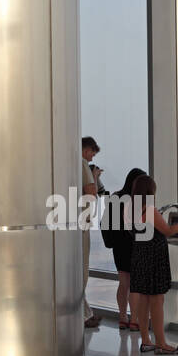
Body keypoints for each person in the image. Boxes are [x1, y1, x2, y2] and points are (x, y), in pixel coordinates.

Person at [128, 174, 178, 355]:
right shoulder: (149, 210)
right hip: (154, 258)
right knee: (157, 301)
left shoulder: (128, 208)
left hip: (139, 257)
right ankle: (161, 343)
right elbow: (168, 230)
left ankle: (146, 340)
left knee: (143, 300)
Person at [105, 168, 146, 331]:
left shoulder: (116, 197)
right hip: (135, 245)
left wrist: (112, 241)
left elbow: (106, 223)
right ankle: (134, 319)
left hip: (119, 245)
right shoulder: (139, 199)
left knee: (123, 283)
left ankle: (123, 317)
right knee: (134, 285)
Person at [81, 136, 103, 329]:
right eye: (91, 154)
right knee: (82, 273)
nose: (91, 159)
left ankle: (86, 313)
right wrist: (94, 177)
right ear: (85, 150)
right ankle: (84, 314)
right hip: (80, 223)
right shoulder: (81, 165)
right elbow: (92, 194)